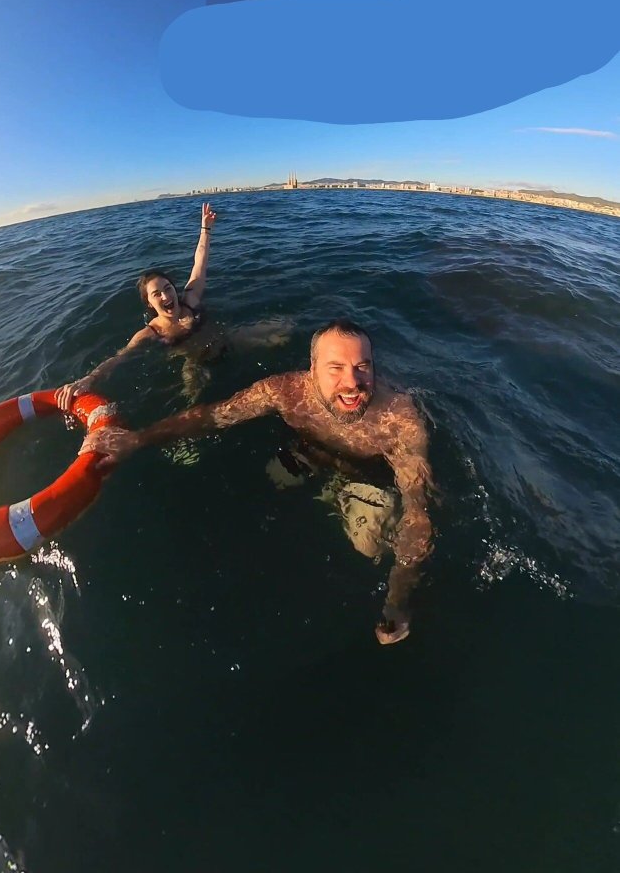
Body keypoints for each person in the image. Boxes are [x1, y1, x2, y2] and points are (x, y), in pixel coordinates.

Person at [81, 318, 434, 646]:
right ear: (312, 371)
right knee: (264, 488)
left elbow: (418, 511)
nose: (353, 383)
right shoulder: (286, 392)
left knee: (371, 546)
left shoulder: (397, 420)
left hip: (362, 478)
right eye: (336, 368)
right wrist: (139, 439)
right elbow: (214, 416)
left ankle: (336, 495)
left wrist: (397, 600)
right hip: (306, 454)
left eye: (362, 367)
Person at [56, 202, 218, 412]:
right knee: (194, 399)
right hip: (194, 362)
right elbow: (118, 357)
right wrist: (89, 379)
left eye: (168, 288)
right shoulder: (151, 332)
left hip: (222, 342)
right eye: (157, 294)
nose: (166, 295)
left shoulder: (190, 299)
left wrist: (205, 229)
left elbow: (199, 264)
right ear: (149, 303)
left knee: (274, 331)